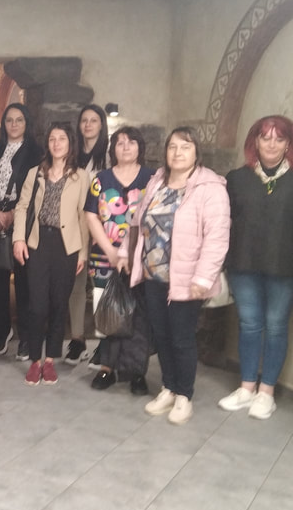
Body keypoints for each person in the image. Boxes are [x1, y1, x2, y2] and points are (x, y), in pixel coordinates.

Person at [116, 127, 230, 425]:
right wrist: (125, 252)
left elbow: (217, 238)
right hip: (154, 273)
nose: (178, 153)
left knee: (181, 337)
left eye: (185, 147)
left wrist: (203, 278)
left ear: (196, 152)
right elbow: (137, 222)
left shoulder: (210, 188)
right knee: (162, 335)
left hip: (187, 278)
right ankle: (168, 387)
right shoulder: (157, 182)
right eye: (173, 147)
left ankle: (184, 395)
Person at [217, 115, 293, 420]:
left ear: (288, 145)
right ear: (254, 142)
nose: (271, 144)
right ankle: (246, 388)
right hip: (243, 265)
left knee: (276, 325)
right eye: (265, 137)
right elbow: (225, 222)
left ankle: (266, 392)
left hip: (284, 268)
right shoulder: (237, 178)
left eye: (279, 139)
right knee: (249, 324)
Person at [13, 122, 91, 386]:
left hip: (66, 246)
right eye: (52, 139)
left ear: (70, 143)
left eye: (62, 139)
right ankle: (35, 360)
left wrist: (82, 253)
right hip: (38, 242)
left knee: (59, 303)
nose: (57, 144)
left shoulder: (81, 177)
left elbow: (83, 216)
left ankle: (50, 360)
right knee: (37, 305)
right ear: (47, 144)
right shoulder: (36, 173)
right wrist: (19, 239)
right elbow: (22, 206)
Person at [84, 127, 155, 395]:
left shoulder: (153, 178)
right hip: (105, 257)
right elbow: (91, 216)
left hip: (141, 259)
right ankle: (107, 368)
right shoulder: (100, 179)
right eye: (120, 142)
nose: (125, 147)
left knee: (140, 317)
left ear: (140, 147)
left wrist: (130, 254)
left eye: (131, 142)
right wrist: (111, 251)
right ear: (113, 148)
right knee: (109, 312)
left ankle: (136, 372)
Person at [0, 102, 42, 360]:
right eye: (9, 120)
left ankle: (26, 336)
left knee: (25, 281)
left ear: (27, 123)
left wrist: (13, 214)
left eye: (19, 119)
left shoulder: (36, 153)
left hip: (23, 221)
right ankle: (1, 330)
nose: (14, 124)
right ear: (3, 124)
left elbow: (37, 191)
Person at [66, 104, 110, 365]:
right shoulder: (72, 156)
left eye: (94, 120)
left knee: (103, 287)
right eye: (84, 120)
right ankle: (77, 339)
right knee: (76, 284)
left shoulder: (109, 156)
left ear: (101, 124)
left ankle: (105, 343)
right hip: (75, 228)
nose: (89, 125)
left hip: (104, 229)